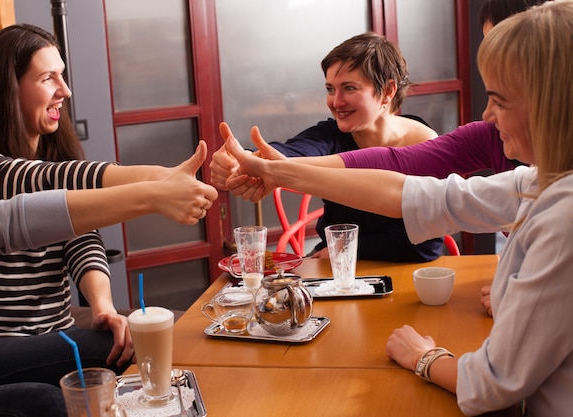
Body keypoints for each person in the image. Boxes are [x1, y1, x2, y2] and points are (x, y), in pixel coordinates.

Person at [222, 1, 573, 415]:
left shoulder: (562, 215)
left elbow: (491, 383)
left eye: (499, 98)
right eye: (331, 90)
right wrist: (275, 170)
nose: (487, 114)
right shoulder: (540, 182)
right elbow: (408, 187)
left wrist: (423, 356)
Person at [0, 88, 216, 415]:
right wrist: (156, 188)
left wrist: (103, 308)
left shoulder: (46, 156)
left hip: (41, 333)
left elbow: (77, 232)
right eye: (47, 78)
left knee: (142, 337)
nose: (66, 90)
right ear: (9, 91)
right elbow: (25, 207)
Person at [210, 32, 443, 263]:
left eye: (349, 88)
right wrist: (241, 161)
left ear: (388, 91)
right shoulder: (330, 135)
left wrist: (347, 249)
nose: (336, 102)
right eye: (330, 89)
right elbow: (288, 153)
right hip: (335, 264)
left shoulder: (424, 142)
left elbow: (425, 246)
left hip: (400, 270)